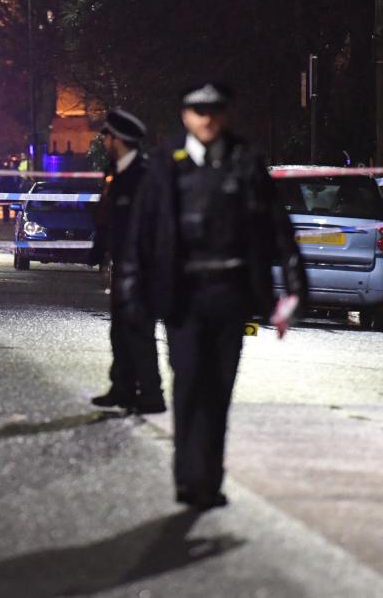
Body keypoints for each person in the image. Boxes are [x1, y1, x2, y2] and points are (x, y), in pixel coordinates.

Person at [119, 83, 308, 510]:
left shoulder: (245, 160)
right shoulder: (166, 163)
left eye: (215, 110)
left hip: (231, 293)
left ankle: (210, 479)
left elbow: (277, 227)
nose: (206, 119)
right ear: (185, 115)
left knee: (219, 389)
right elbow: (141, 234)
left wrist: (295, 290)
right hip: (183, 294)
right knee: (187, 384)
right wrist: (132, 291)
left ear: (227, 114)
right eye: (197, 110)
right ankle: (187, 477)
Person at [89, 108, 165, 415]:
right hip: (122, 266)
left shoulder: (144, 177)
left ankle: (151, 394)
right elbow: (107, 218)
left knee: (140, 331)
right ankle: (122, 388)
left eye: (107, 135)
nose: (104, 140)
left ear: (118, 139)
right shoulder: (116, 173)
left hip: (144, 269)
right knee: (120, 330)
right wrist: (97, 252)